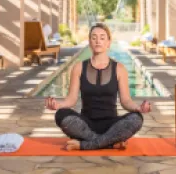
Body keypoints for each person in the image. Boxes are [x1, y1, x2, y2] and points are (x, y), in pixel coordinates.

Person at [45, 23, 151, 151]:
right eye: (94, 37)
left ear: (108, 42)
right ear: (89, 42)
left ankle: (86, 144)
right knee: (61, 115)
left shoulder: (119, 68)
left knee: (136, 118)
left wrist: (138, 108)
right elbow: (71, 99)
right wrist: (58, 105)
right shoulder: (79, 67)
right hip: (86, 124)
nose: (98, 41)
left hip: (111, 124)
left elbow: (126, 101)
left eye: (102, 37)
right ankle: (110, 142)